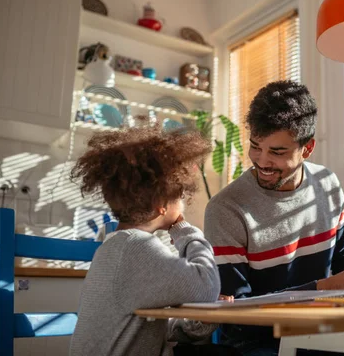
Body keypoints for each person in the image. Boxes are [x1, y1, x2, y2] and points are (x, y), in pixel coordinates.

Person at [204, 81, 344, 355]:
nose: (262, 161)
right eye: (255, 147)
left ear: (307, 149)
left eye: (277, 152)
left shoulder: (326, 184)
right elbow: (238, 315)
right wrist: (321, 287)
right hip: (258, 345)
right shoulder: (227, 208)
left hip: (318, 332)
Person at [69, 124, 229, 356]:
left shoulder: (117, 246)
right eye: (180, 195)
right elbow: (207, 286)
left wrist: (200, 321)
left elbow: (149, 328)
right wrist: (183, 229)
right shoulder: (137, 247)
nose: (183, 203)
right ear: (162, 205)